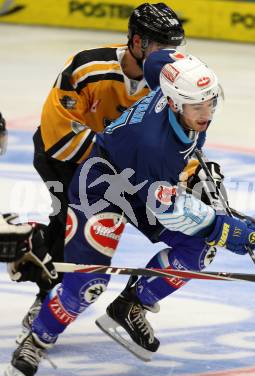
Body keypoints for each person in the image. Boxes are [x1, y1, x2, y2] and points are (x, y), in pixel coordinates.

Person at [4, 50, 255, 376]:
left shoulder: (172, 85)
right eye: (196, 106)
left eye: (211, 102)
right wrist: (223, 228)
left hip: (143, 184)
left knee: (197, 251)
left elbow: (157, 61)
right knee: (87, 285)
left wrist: (183, 66)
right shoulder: (154, 147)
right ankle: (36, 340)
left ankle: (131, 304)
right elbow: (170, 209)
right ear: (172, 103)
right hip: (101, 191)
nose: (206, 113)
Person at [8, 2, 185, 342]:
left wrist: (190, 173)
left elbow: (176, 138)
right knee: (68, 227)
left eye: (173, 48)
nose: (169, 57)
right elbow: (58, 135)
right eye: (161, 47)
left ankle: (132, 303)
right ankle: (46, 288)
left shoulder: (170, 84)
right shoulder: (87, 68)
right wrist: (119, 162)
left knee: (183, 226)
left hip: (118, 170)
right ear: (137, 42)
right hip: (64, 160)